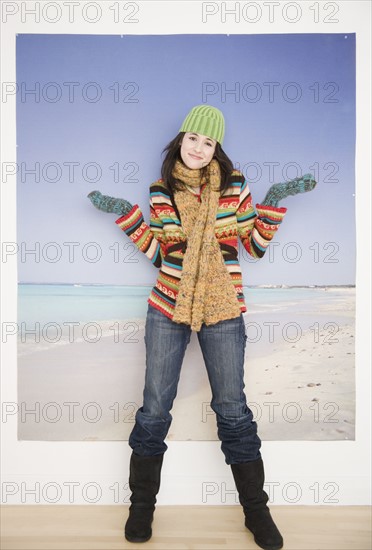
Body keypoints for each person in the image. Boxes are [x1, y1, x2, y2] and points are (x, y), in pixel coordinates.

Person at [88, 104, 316, 550]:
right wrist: (130, 217)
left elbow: (252, 248)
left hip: (224, 306)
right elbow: (163, 254)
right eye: (193, 138)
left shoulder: (235, 187)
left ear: (217, 149)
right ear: (181, 138)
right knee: (154, 409)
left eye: (209, 142)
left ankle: (257, 511)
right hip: (168, 304)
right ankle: (141, 508)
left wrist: (273, 200)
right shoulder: (162, 190)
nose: (198, 148)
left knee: (232, 410)